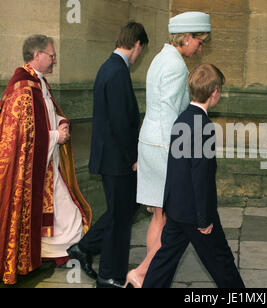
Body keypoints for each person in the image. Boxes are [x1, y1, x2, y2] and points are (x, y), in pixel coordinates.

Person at [126, 12, 211, 288]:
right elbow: (175, 117)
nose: (201, 47)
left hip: (150, 143)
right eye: (199, 41)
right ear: (186, 38)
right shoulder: (176, 67)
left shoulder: (160, 58)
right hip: (165, 148)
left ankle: (147, 276)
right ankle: (141, 273)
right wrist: (181, 156)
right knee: (173, 219)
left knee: (159, 216)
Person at [142, 64, 245, 288]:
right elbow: (201, 177)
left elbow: (176, 168)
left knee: (163, 262)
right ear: (215, 93)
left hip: (177, 208)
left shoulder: (181, 119)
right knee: (222, 262)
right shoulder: (204, 127)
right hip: (195, 212)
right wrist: (204, 218)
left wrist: (169, 204)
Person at [0, 35, 92, 285]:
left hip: (49, 163)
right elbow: (21, 135)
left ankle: (61, 254)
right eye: (51, 56)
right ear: (36, 55)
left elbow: (49, 114)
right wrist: (55, 136)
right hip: (32, 168)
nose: (55, 61)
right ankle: (58, 255)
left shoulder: (38, 83)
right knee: (62, 213)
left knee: (67, 213)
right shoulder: (22, 89)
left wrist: (61, 123)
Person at [66, 22, 148, 288]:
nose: (139, 57)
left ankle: (85, 248)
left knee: (122, 210)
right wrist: (132, 158)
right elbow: (120, 123)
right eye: (141, 50)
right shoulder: (116, 71)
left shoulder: (111, 68)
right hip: (117, 159)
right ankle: (110, 274)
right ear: (136, 44)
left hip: (113, 157)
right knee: (121, 216)